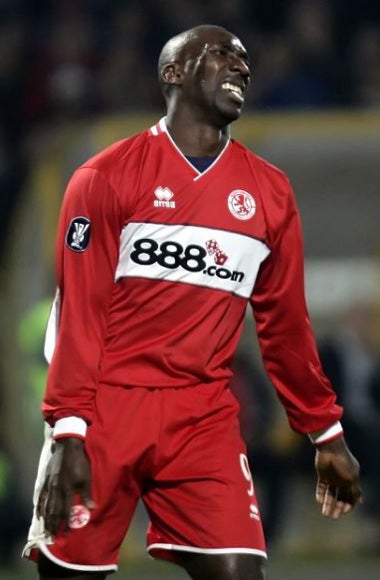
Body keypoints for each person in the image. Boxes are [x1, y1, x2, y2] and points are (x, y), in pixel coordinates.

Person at [23, 24, 362, 580]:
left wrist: (325, 433)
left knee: (238, 572)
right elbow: (78, 318)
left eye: (245, 59)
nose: (241, 67)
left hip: (203, 414)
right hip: (107, 409)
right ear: (173, 73)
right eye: (221, 55)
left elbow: (285, 327)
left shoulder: (270, 192)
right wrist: (67, 432)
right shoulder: (105, 177)